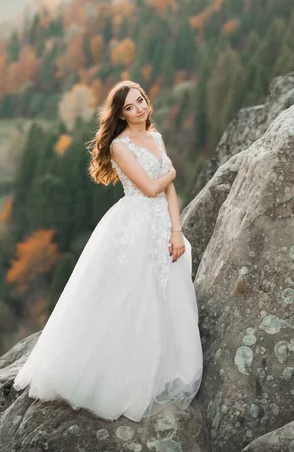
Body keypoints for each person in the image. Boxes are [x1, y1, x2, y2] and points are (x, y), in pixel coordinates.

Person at [12, 79, 203, 423]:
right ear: (121, 114)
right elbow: (149, 187)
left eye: (141, 100)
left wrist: (177, 231)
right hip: (134, 225)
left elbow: (170, 193)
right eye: (130, 106)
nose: (139, 109)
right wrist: (172, 171)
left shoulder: (156, 137)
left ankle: (163, 370)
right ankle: (122, 379)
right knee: (132, 296)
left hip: (163, 225)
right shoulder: (119, 146)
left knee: (166, 293)